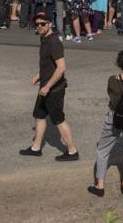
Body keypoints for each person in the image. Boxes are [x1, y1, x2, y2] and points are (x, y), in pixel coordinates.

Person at [20, 12, 79, 161]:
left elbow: (61, 67)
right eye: (37, 24)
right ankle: (36, 148)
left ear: (50, 24)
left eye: (43, 23)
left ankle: (72, 151)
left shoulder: (54, 43)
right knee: (39, 116)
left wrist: (47, 86)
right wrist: (39, 76)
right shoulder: (44, 38)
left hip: (53, 90)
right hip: (45, 87)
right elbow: (49, 64)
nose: (39, 26)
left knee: (58, 120)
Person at [88, 49, 123, 197]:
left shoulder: (112, 80)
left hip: (114, 116)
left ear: (119, 63)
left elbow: (110, 94)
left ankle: (100, 185)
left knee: (103, 149)